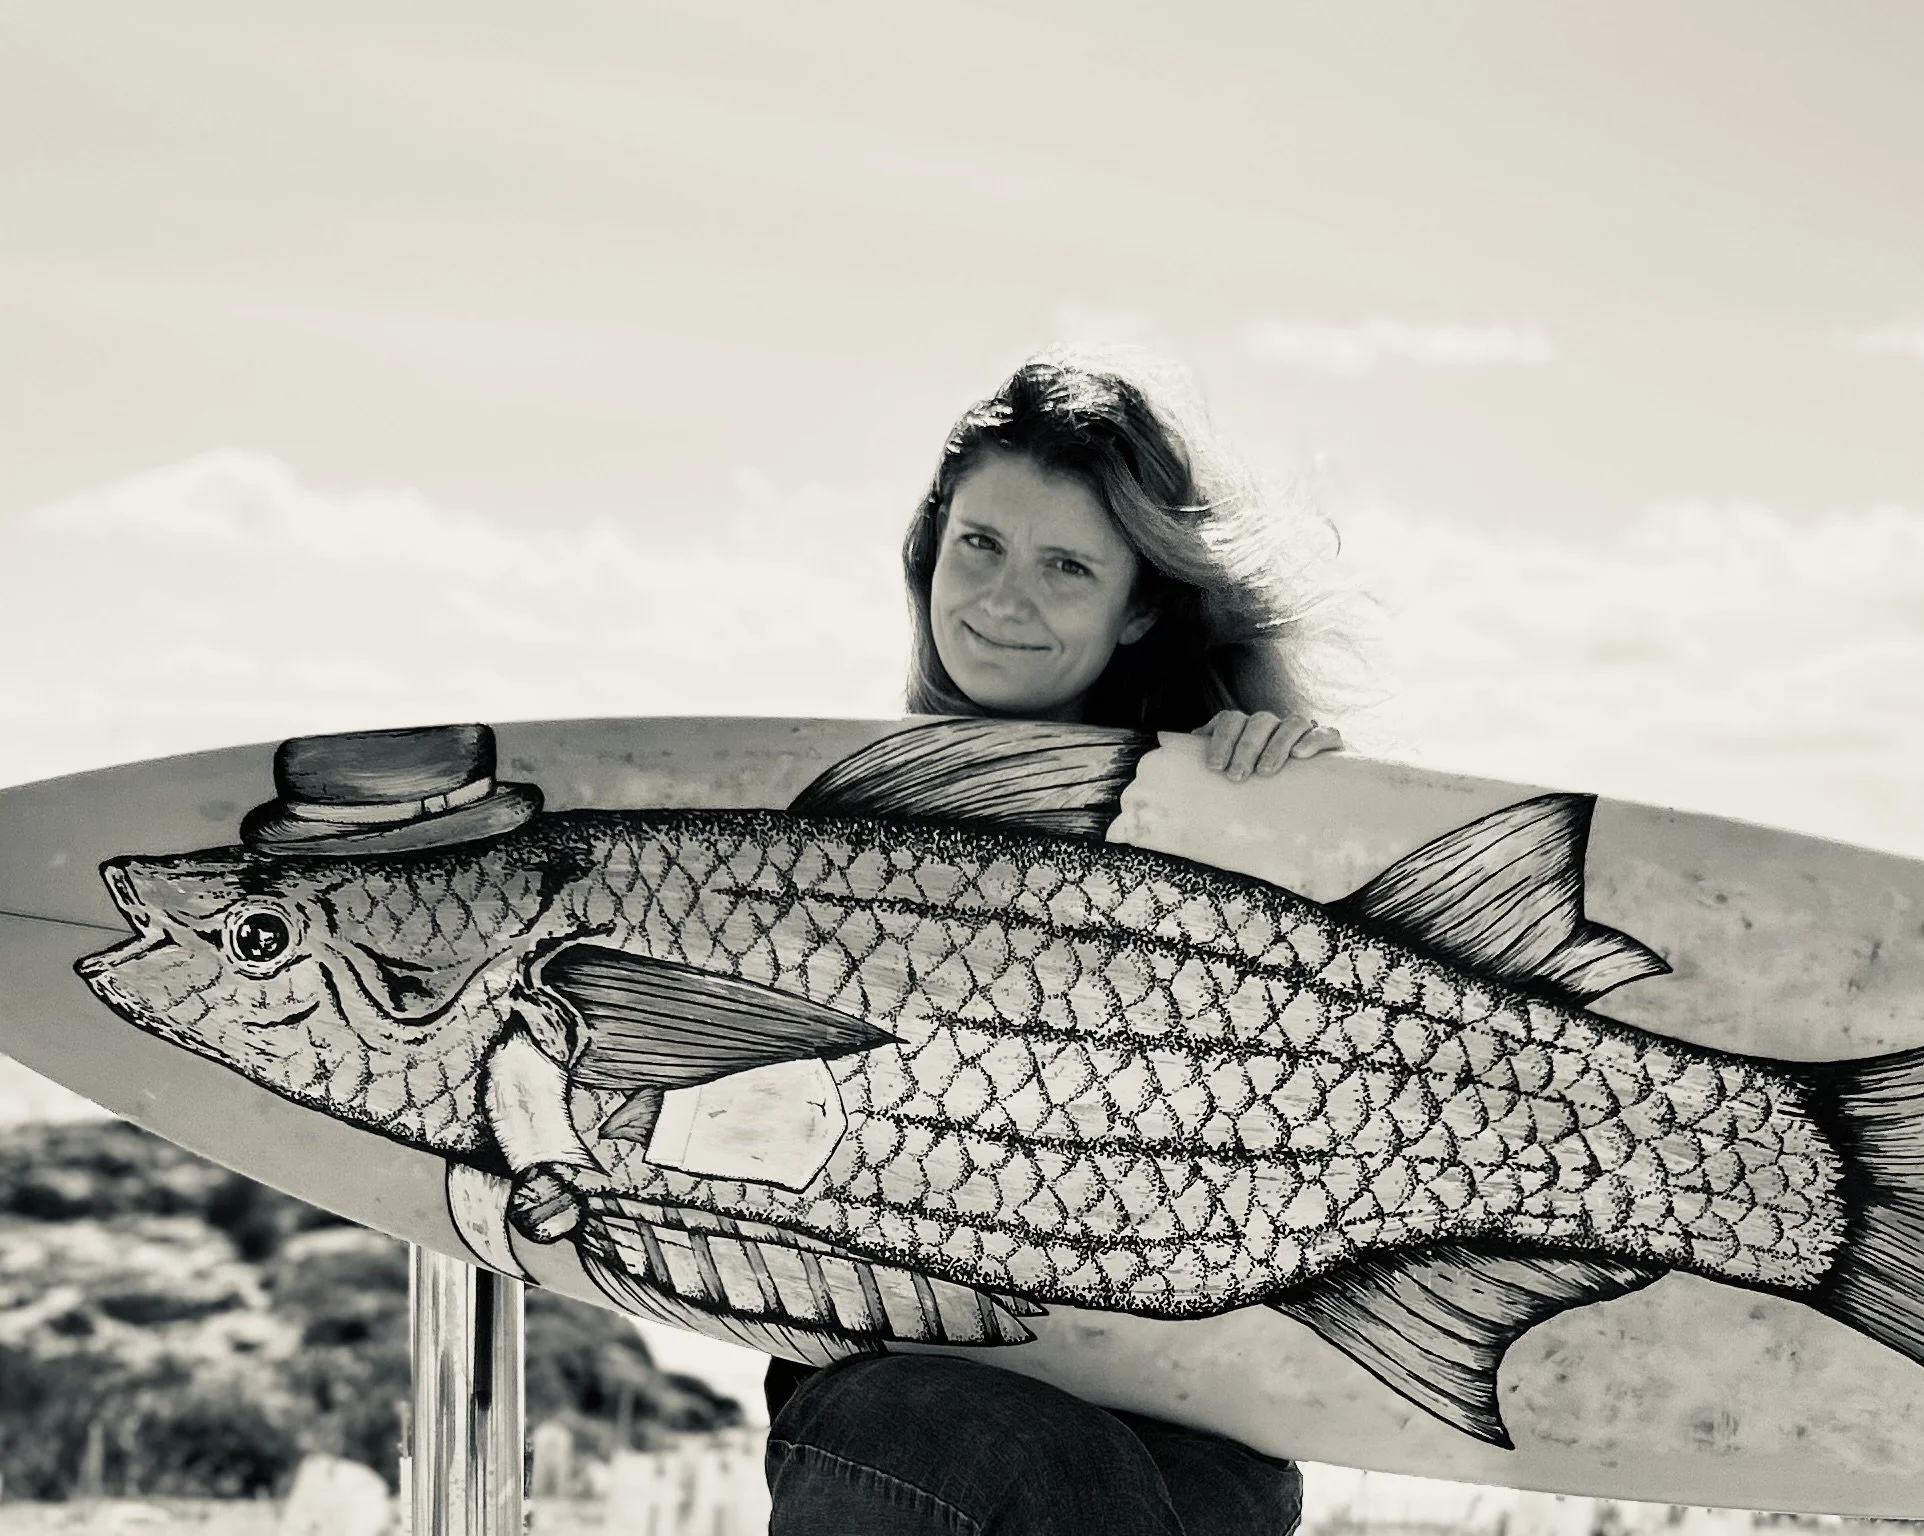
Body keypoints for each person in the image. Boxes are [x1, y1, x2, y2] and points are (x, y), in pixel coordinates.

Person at [763, 349, 1345, 1535]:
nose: (1002, 599)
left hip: (1187, 1418)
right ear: (930, 552)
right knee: (974, 1441)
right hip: (894, 1405)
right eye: (978, 545)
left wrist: (1308, 824)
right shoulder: (824, 839)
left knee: (1046, 1466)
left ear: (1139, 606)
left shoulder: (1236, 833)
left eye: (1064, 566)